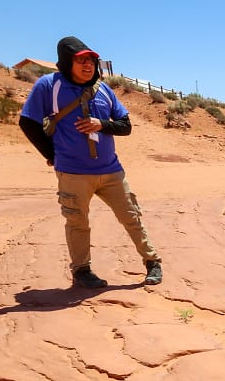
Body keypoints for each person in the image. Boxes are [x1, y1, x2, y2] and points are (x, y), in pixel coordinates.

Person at [19, 35, 162, 288]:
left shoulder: (104, 89)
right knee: (77, 221)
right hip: (73, 172)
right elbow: (27, 122)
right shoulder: (48, 85)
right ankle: (82, 271)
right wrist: (50, 153)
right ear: (66, 62)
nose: (88, 66)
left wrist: (102, 124)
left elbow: (125, 126)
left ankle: (152, 262)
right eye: (81, 60)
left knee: (131, 215)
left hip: (111, 171)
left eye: (92, 61)